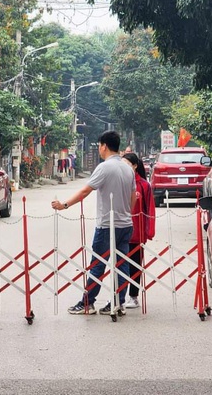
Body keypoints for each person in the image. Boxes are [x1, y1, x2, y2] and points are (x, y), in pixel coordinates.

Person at [51, 130, 136, 315]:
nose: (99, 148)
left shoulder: (104, 167)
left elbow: (84, 191)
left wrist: (64, 204)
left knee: (98, 264)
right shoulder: (128, 168)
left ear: (104, 146)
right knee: (122, 264)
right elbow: (132, 198)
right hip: (126, 224)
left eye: (99, 145)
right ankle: (118, 302)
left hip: (107, 225)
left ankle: (87, 303)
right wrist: (125, 213)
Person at [122, 152, 156, 309]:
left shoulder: (143, 185)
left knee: (135, 265)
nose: (124, 167)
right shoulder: (119, 183)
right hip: (120, 231)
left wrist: (149, 231)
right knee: (120, 265)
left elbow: (150, 209)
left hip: (136, 234)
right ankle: (119, 295)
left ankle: (133, 296)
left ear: (135, 166)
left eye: (127, 164)